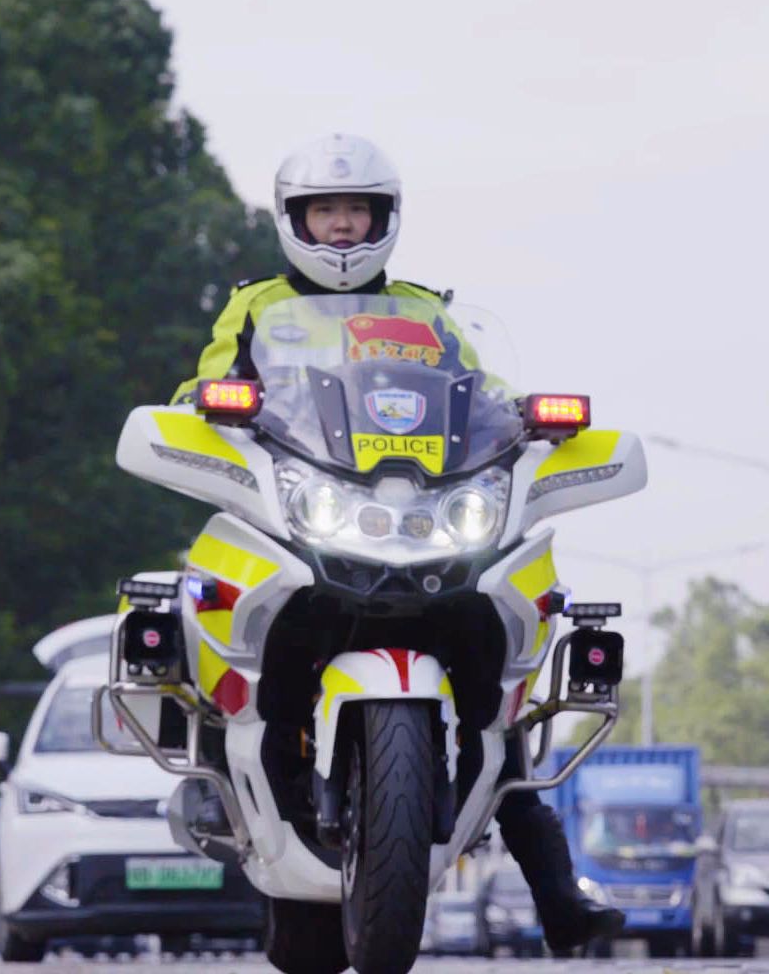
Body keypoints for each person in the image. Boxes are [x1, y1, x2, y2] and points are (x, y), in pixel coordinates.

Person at [174, 134, 624, 955]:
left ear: (384, 218)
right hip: (307, 509)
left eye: (357, 211)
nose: (343, 228)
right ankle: (227, 784)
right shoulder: (257, 306)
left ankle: (557, 887)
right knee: (225, 615)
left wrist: (525, 419)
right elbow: (200, 388)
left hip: (425, 513)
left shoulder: (425, 311)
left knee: (498, 677)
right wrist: (202, 405)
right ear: (293, 219)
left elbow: (480, 396)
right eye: (325, 212)